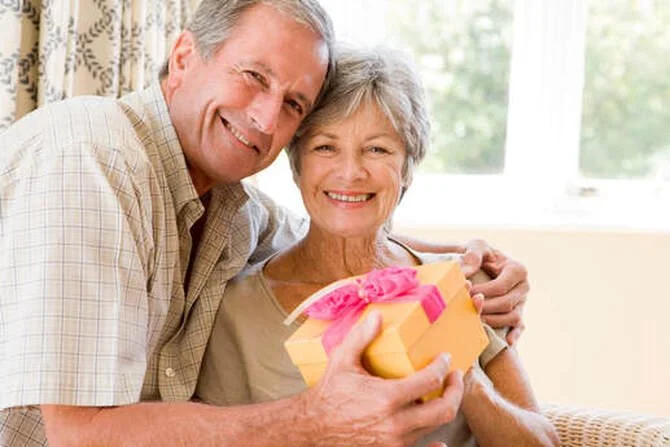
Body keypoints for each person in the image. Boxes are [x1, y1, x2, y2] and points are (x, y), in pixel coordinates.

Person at [0, 1, 528, 445]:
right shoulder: (91, 160)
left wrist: (468, 258)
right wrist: (317, 419)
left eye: (294, 103)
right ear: (184, 57)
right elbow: (80, 436)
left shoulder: (230, 207)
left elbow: (326, 225)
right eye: (254, 77)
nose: (266, 119)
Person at [196, 46, 558, 446]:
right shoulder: (235, 310)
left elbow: (543, 442)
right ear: (297, 167)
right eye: (325, 147)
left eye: (377, 149)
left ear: (407, 170)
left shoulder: (468, 285)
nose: (351, 172)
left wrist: (463, 369)